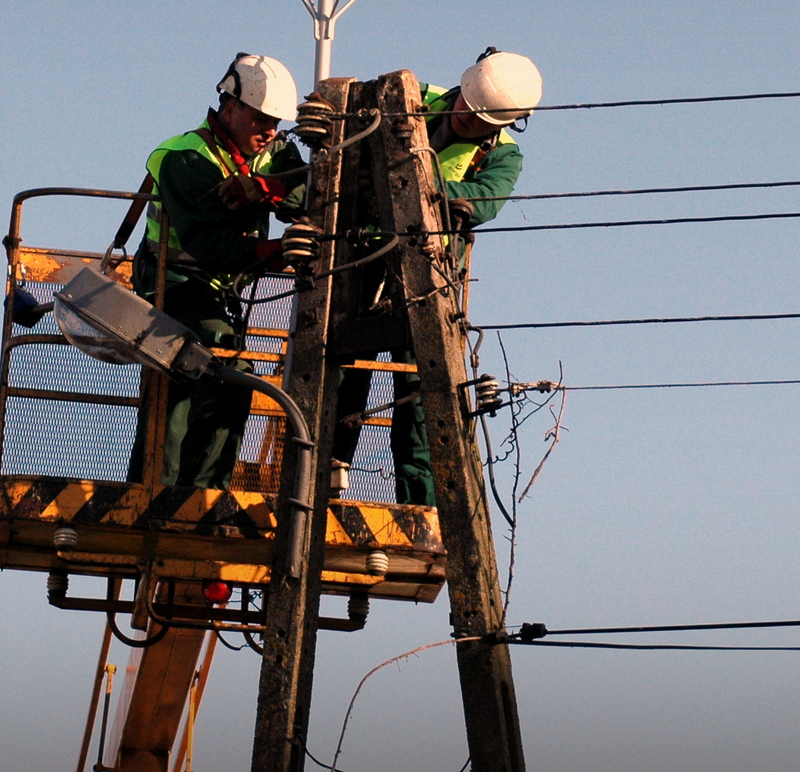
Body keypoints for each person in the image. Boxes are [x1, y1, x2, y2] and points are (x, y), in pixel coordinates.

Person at [330, 48, 542, 505]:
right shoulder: (409, 98)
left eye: (481, 118)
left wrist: (408, 183)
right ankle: (327, 471)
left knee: (421, 401)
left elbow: (483, 200)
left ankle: (420, 506)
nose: (467, 117)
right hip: (361, 259)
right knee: (344, 374)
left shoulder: (502, 156)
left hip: (429, 280)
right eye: (467, 104)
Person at [129, 52, 306, 489]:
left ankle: (206, 492)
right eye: (261, 118)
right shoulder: (183, 157)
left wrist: (272, 187)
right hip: (174, 285)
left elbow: (314, 194)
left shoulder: (276, 152)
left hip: (221, 292)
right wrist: (275, 249)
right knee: (202, 368)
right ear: (229, 108)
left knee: (228, 375)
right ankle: (160, 489)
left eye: (276, 121)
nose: (270, 130)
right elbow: (206, 244)